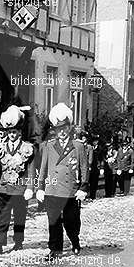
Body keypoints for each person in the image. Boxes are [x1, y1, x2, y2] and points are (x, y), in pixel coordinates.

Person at [35, 103, 89, 258]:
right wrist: (40, 188)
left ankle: (75, 241)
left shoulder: (78, 146)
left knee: (71, 221)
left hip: (70, 190)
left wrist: (83, 187)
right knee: (53, 221)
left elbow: (84, 168)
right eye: (59, 129)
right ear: (55, 130)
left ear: (69, 128)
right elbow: (43, 168)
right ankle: (55, 249)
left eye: (65, 128)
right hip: (52, 189)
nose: (62, 132)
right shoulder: (48, 146)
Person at [0, 105, 36, 254]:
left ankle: (18, 241)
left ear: (19, 132)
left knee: (19, 217)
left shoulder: (28, 148)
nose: (12, 135)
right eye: (9, 132)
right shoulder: (0, 147)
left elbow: (31, 170)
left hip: (20, 189)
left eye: (14, 132)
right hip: (4, 188)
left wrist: (30, 188)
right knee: (3, 217)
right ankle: (0, 242)